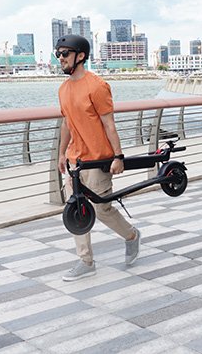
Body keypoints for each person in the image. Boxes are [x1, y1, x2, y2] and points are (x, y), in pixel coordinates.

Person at [55, 34, 140, 282]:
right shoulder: (63, 89)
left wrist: (118, 157)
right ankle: (86, 261)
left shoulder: (97, 86)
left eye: (65, 53)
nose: (60, 58)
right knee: (76, 211)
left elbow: (109, 124)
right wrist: (61, 154)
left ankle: (132, 236)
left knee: (102, 210)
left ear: (80, 56)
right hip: (75, 160)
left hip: (98, 159)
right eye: (58, 54)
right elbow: (66, 124)